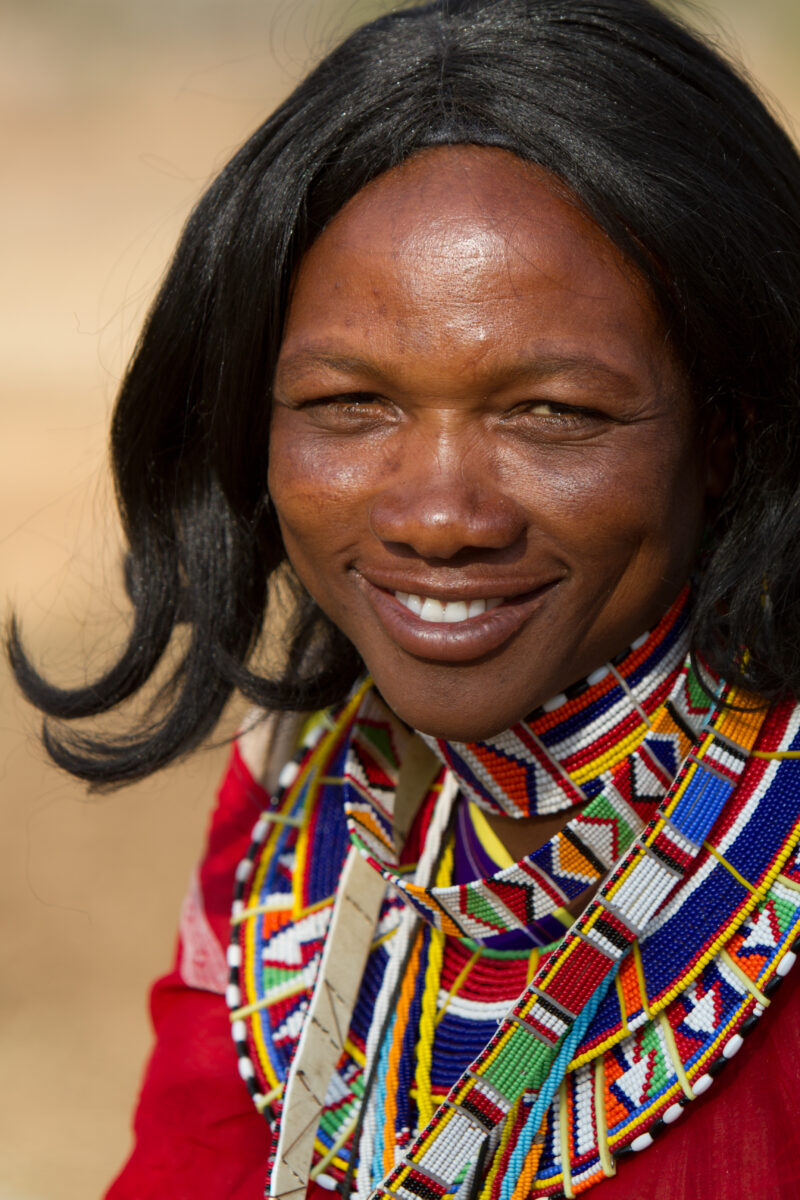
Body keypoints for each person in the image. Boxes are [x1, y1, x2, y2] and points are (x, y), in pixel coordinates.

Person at [10, 0, 800, 1196]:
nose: (438, 516)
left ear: (723, 436)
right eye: (346, 406)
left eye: (554, 414)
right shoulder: (297, 814)